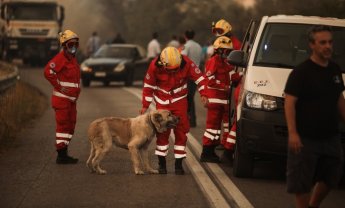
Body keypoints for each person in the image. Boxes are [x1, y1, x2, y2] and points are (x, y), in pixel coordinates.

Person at [284, 25, 345, 208]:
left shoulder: (334, 70)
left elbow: (339, 99)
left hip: (330, 137)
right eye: (323, 42)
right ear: (312, 45)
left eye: (330, 42)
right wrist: (293, 133)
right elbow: (289, 103)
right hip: (305, 138)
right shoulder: (301, 72)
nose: (328, 46)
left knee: (332, 176)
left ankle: (314, 205)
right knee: (301, 182)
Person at [141, 46, 208, 175]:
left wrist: (204, 94)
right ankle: (162, 165)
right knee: (162, 133)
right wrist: (145, 104)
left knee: (181, 132)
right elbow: (148, 86)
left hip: (180, 101)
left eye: (175, 69)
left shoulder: (186, 62)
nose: (172, 72)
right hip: (162, 102)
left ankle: (178, 165)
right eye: (169, 69)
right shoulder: (155, 65)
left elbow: (200, 79)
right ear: (162, 63)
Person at [200, 36, 242, 163]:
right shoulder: (214, 61)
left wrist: (244, 75)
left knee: (216, 129)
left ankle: (211, 151)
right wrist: (225, 87)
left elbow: (233, 77)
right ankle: (206, 153)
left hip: (222, 101)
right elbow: (210, 80)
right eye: (227, 51)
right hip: (215, 100)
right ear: (219, 50)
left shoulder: (226, 63)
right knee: (212, 128)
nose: (228, 54)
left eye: (230, 52)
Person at [44, 30, 81, 164]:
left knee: (70, 126)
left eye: (76, 44)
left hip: (71, 101)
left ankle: (64, 152)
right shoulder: (60, 59)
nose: (74, 47)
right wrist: (59, 86)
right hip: (62, 100)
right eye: (71, 44)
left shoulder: (72, 59)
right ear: (64, 46)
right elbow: (48, 71)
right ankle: (61, 154)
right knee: (63, 126)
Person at [211, 19, 243, 158]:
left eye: (220, 31)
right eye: (217, 32)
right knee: (225, 118)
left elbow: (232, 66)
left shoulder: (234, 44)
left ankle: (226, 144)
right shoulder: (225, 43)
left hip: (233, 82)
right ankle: (224, 143)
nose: (218, 34)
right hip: (228, 82)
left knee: (228, 117)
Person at [181, 29, 203, 127]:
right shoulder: (198, 46)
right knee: (191, 97)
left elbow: (182, 59)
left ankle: (188, 120)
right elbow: (201, 59)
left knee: (186, 97)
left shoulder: (186, 46)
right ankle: (192, 120)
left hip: (187, 74)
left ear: (185, 36)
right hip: (196, 74)